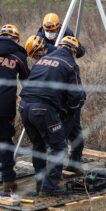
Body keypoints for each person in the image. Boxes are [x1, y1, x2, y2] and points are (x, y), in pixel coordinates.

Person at [19, 36, 84, 196]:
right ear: (73, 51)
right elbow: (76, 96)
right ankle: (49, 187)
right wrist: (67, 111)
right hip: (43, 109)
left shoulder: (42, 60)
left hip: (24, 106)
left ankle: (40, 185)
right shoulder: (71, 64)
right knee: (59, 147)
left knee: (38, 146)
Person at [0, 24, 30, 193]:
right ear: (16, 39)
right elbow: (28, 81)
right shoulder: (18, 56)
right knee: (4, 141)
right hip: (4, 106)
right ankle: (8, 181)